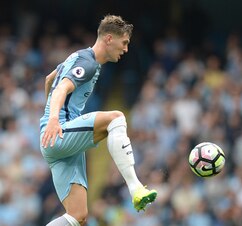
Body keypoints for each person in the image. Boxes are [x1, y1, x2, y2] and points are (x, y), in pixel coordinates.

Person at [40, 14, 157, 226]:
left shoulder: (78, 57)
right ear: (109, 39)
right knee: (116, 118)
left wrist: (48, 115)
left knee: (78, 216)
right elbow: (61, 87)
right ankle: (136, 188)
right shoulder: (88, 63)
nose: (126, 49)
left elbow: (50, 79)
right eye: (124, 42)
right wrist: (54, 119)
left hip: (58, 140)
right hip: (60, 131)